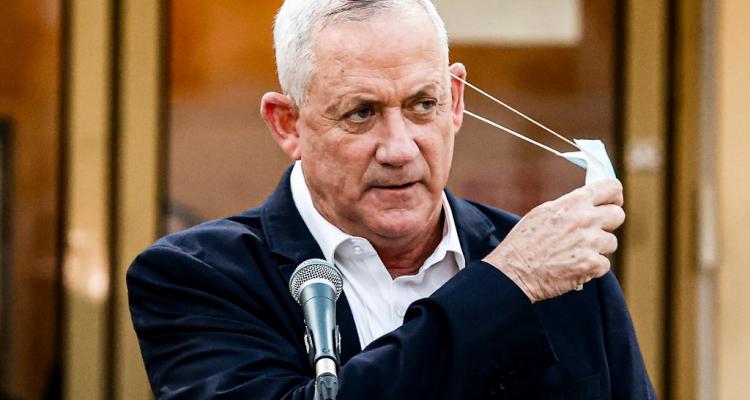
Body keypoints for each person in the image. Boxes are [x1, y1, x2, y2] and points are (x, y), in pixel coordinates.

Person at [127, 1, 656, 398]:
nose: (400, 149)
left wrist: (518, 279)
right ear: (287, 124)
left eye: (423, 105)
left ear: (455, 102)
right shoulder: (197, 276)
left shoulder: (562, 269)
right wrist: (505, 288)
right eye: (361, 113)